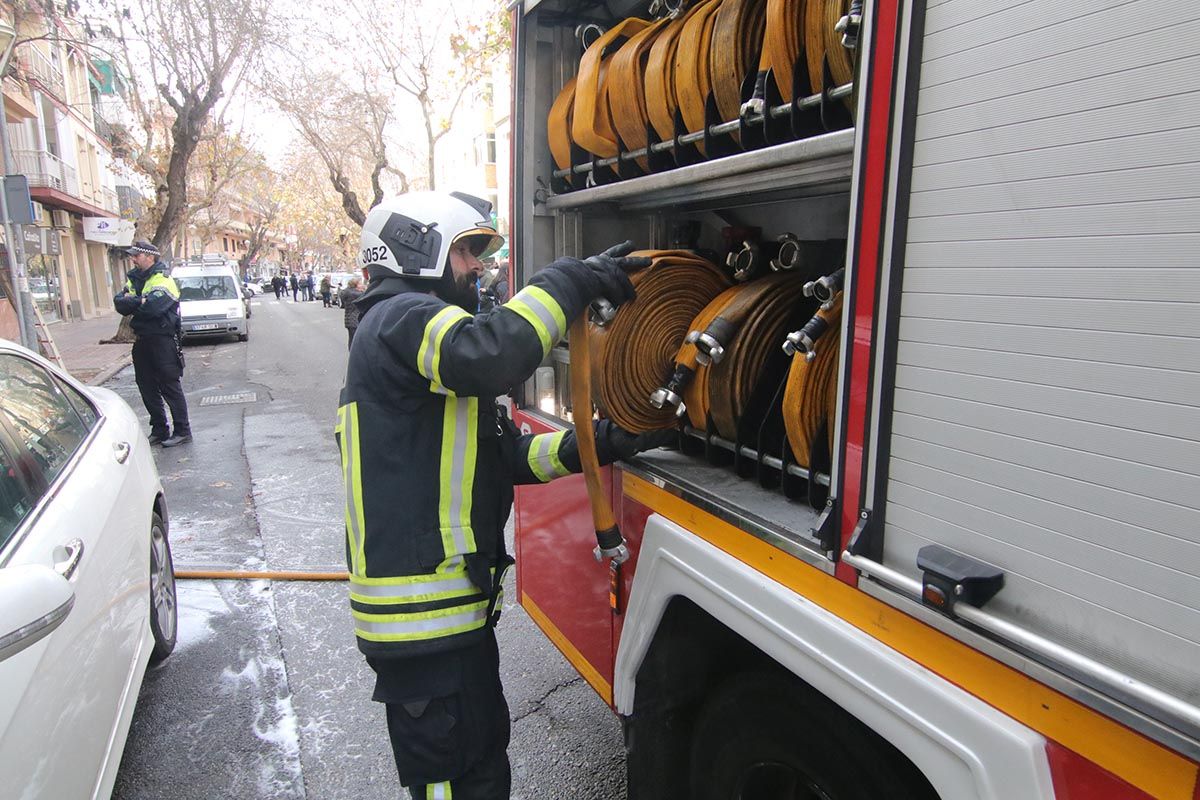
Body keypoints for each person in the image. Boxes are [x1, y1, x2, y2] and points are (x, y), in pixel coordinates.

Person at [337, 191, 674, 799]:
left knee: (483, 765)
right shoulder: (401, 316)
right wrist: (566, 282)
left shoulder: (411, 345)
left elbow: (498, 460)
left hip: (446, 622)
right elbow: (491, 353)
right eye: (467, 251)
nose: (478, 268)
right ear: (421, 248)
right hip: (424, 622)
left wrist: (593, 445)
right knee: (456, 782)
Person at [113, 240, 192, 447]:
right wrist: (141, 300)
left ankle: (182, 430)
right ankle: (160, 429)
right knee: (146, 386)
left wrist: (136, 302)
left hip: (162, 341)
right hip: (142, 341)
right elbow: (120, 304)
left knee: (169, 386)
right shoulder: (134, 280)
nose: (133, 259)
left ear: (149, 257)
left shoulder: (164, 280)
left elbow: (153, 309)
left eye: (136, 256)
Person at [340, 276, 363, 349]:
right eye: (360, 284)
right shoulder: (355, 294)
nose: (362, 285)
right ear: (355, 285)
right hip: (354, 319)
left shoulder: (347, 292)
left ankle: (352, 354)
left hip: (349, 320)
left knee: (351, 339)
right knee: (355, 340)